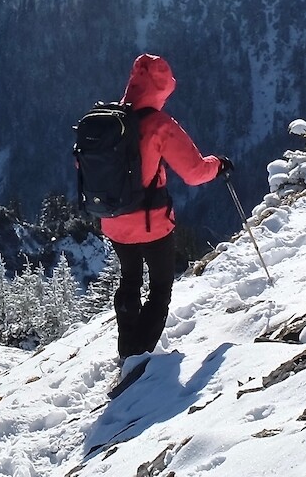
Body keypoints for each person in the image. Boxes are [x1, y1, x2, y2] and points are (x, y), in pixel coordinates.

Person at [101, 53, 230, 372]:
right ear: (162, 89)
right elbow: (195, 171)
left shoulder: (107, 121)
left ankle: (127, 351)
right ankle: (139, 359)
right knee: (160, 287)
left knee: (129, 280)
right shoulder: (158, 124)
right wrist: (220, 165)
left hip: (113, 221)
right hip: (151, 224)